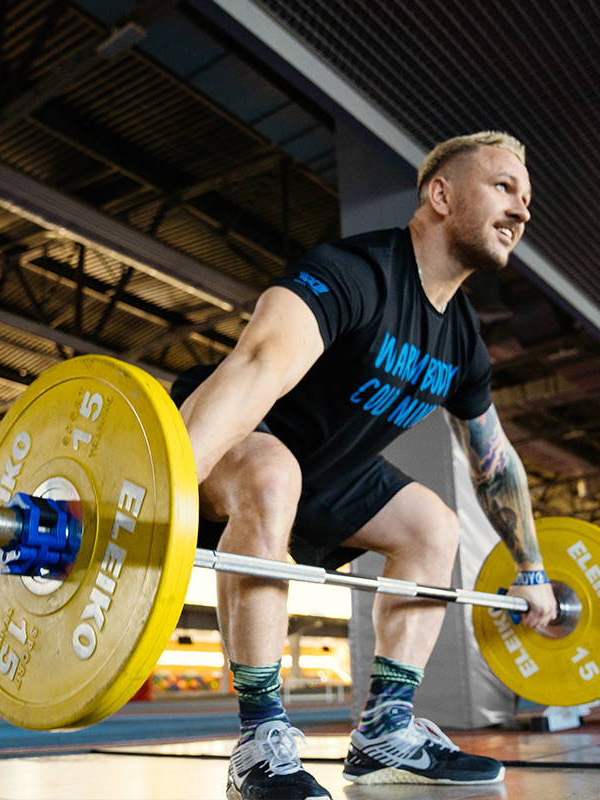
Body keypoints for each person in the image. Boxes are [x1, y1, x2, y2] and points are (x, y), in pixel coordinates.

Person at [171, 131, 556, 800]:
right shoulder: (354, 271)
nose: (522, 210)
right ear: (440, 194)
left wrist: (531, 569)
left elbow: (494, 459)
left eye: (526, 198)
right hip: (230, 445)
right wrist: (155, 493)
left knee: (432, 528)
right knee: (273, 474)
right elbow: (257, 366)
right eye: (503, 187)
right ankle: (260, 737)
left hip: (326, 473)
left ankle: (385, 732)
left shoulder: (463, 340)